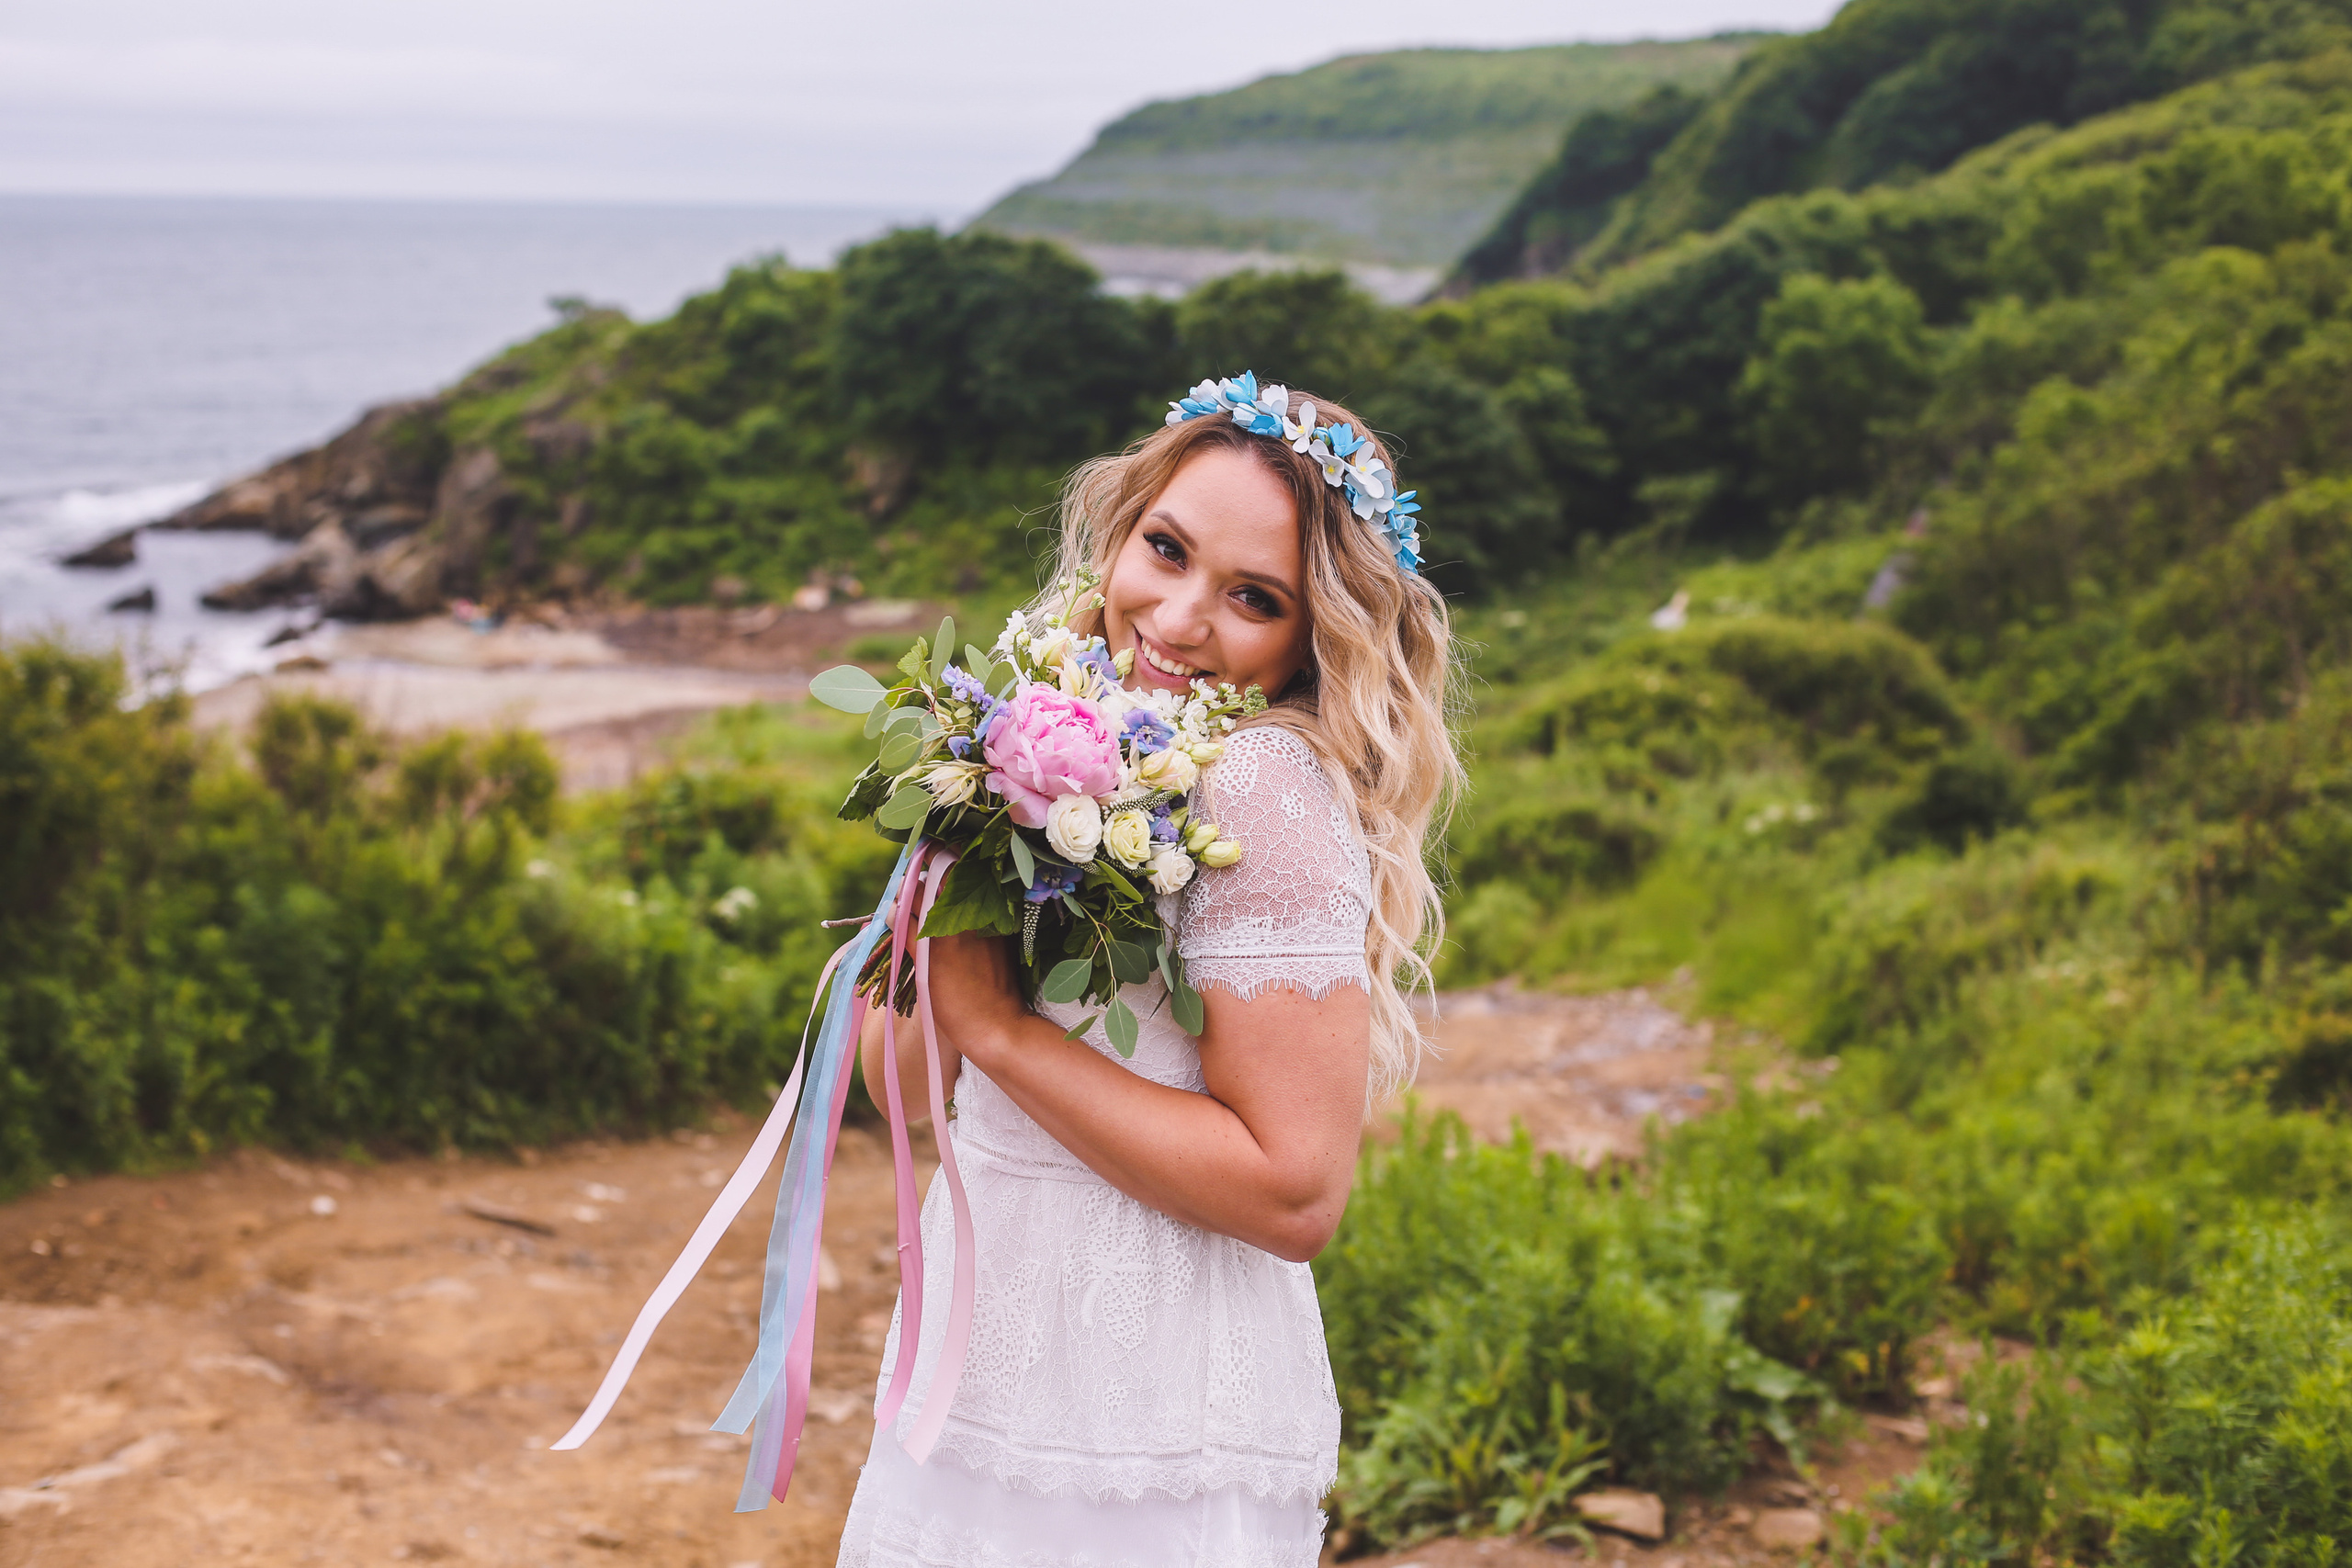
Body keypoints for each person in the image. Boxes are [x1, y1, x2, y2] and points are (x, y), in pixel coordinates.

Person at [835, 376, 1463, 1567]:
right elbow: (903, 1088)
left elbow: (1296, 1192)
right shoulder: (1043, 736)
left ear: (1310, 633)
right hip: (985, 1345)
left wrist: (1008, 1036)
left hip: (1145, 1403)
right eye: (1164, 548)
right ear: (1118, 532)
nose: (1176, 619)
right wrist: (957, 857)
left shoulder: (1259, 787)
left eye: (1253, 597)